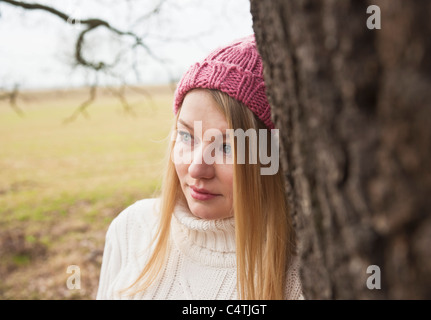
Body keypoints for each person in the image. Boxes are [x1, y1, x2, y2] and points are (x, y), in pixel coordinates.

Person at [96, 35, 303, 300]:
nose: (196, 169)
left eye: (227, 148)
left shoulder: (304, 276)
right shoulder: (132, 229)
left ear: (272, 158)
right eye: (186, 136)